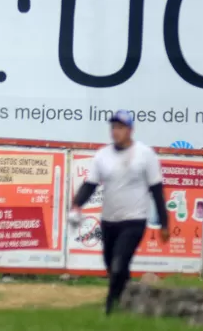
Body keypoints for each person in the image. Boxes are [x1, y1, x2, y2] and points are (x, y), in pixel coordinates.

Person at [69, 109, 169, 315]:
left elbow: (157, 190)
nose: (116, 131)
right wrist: (77, 203)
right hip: (109, 220)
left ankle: (110, 309)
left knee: (119, 262)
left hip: (134, 220)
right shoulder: (102, 156)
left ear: (130, 130)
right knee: (111, 264)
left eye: (120, 127)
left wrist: (164, 223)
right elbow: (90, 185)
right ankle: (128, 297)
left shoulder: (145, 154)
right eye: (113, 127)